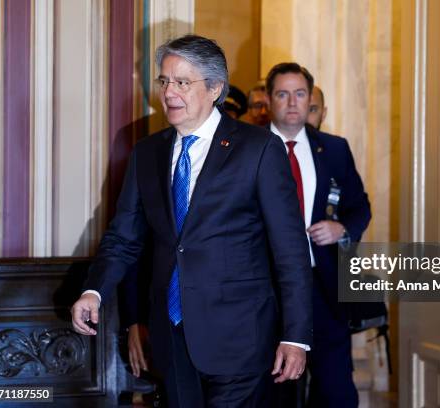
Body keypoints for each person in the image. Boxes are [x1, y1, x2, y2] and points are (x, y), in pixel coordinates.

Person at [70, 35, 312, 407]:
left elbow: (290, 250)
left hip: (242, 338)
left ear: (215, 88)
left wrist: (295, 336)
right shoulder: (147, 153)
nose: (169, 92)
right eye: (165, 81)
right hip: (171, 336)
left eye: (183, 82)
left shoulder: (258, 148)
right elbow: (123, 237)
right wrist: (94, 290)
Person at [266, 62, 371, 407]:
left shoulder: (334, 149)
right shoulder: (247, 148)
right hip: (267, 291)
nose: (292, 103)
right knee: (276, 389)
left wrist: (343, 228)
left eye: (300, 94)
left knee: (336, 391)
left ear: (311, 99)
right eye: (283, 94)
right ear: (270, 100)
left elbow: (360, 206)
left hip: (324, 286)